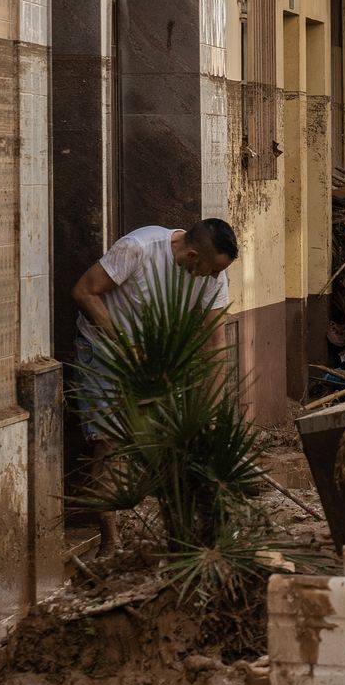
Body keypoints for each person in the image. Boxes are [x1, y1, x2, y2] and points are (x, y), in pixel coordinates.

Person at [71, 219, 238, 551]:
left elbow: (215, 342)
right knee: (110, 439)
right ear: (192, 255)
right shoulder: (138, 248)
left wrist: (213, 409)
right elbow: (83, 292)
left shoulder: (213, 278)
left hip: (154, 359)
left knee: (168, 438)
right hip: (104, 349)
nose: (216, 278)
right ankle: (109, 539)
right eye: (210, 270)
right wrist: (124, 347)